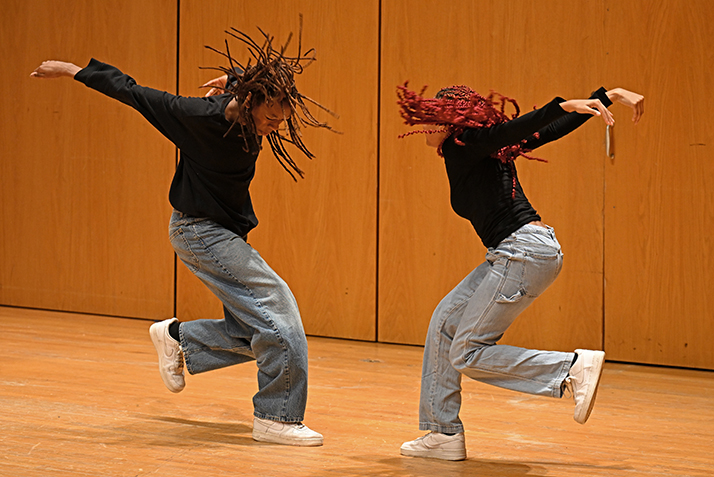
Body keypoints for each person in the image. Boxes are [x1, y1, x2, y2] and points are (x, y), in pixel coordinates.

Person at [30, 25, 336, 447]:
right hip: (199, 229)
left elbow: (255, 81)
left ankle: (180, 339)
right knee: (280, 309)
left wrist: (233, 77)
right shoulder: (194, 116)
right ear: (250, 104)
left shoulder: (248, 104)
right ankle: (276, 418)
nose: (273, 126)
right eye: (269, 117)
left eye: (281, 120)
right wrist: (73, 70)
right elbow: (134, 92)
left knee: (258, 329)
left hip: (224, 231)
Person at [395, 82, 644, 460]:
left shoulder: (466, 147)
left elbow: (519, 127)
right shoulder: (484, 151)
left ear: (454, 122)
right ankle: (442, 434)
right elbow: (544, 131)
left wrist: (560, 103)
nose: (426, 128)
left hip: (522, 253)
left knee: (467, 352)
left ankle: (569, 368)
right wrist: (604, 98)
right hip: (518, 252)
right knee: (445, 320)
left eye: (433, 119)